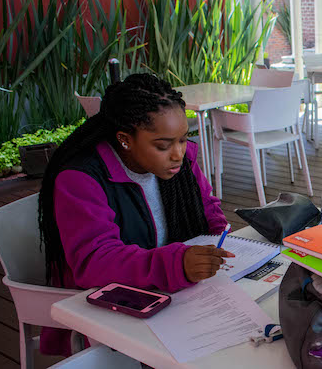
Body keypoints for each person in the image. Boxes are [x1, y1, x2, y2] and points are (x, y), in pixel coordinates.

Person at [38, 74, 231, 355]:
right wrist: (176, 264)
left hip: (170, 294)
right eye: (163, 145)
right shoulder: (80, 178)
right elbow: (95, 262)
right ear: (125, 140)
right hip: (110, 307)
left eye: (183, 139)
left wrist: (220, 234)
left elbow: (208, 207)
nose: (178, 153)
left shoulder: (180, 162)